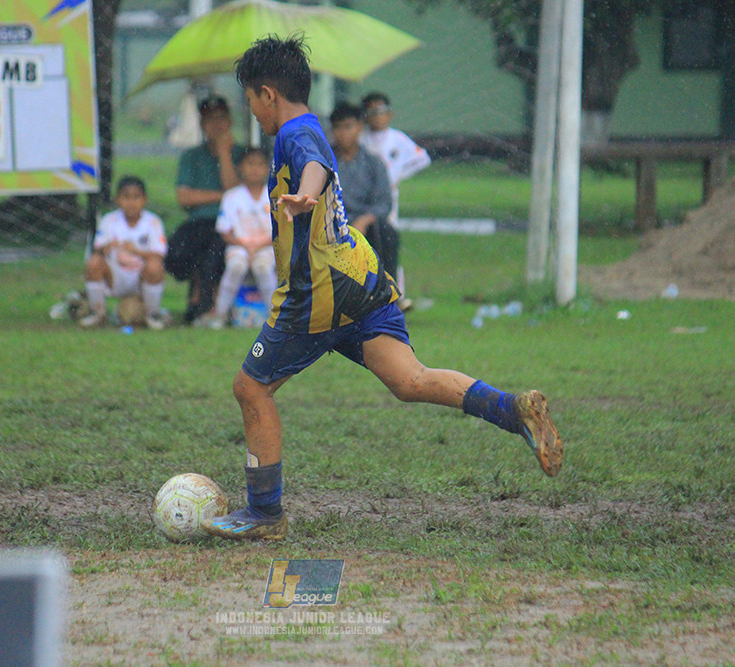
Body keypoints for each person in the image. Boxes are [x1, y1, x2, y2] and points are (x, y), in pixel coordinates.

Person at [204, 35, 563, 542]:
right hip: (362, 277)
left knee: (251, 387)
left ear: (268, 94)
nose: (252, 112)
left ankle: (265, 514)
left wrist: (306, 193)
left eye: (249, 101)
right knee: (408, 379)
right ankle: (514, 410)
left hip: (320, 292)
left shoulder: (292, 134)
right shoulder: (308, 126)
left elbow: (317, 167)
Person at [167, 95, 246, 324]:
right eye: (210, 119)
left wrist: (224, 154)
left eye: (221, 118)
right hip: (199, 222)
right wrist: (222, 196)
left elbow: (237, 192)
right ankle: (198, 290)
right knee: (177, 252)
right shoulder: (192, 156)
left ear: (230, 121)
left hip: (230, 223)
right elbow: (184, 198)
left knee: (215, 251)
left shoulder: (242, 155)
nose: (217, 125)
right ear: (202, 124)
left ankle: (204, 301)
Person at [360, 91, 432, 311]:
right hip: (363, 197)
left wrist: (397, 176)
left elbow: (422, 158)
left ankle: (396, 294)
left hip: (387, 198)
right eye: (371, 112)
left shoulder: (397, 139)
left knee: (388, 242)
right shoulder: (361, 138)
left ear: (389, 114)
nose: (376, 117)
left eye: (381, 112)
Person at [200, 147, 277, 329]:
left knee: (263, 268)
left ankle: (275, 317)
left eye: (260, 164)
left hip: (267, 246)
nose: (255, 169)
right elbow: (225, 232)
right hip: (239, 245)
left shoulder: (274, 195)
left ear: (267, 168)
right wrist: (245, 245)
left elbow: (281, 230)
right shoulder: (231, 197)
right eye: (250, 164)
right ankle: (219, 314)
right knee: (236, 266)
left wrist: (258, 246)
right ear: (240, 168)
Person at [81, 176, 168, 329]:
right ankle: (98, 313)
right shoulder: (109, 220)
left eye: (136, 197)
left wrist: (136, 251)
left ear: (144, 200)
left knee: (155, 266)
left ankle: (152, 314)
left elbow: (159, 254)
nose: (131, 203)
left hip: (140, 277)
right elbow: (98, 248)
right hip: (115, 276)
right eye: (126, 197)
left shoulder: (153, 222)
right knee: (94, 262)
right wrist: (108, 247)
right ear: (117, 200)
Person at [330, 101, 397, 280]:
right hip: (332, 223)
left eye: (348, 126)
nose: (343, 133)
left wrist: (364, 220)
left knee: (386, 232)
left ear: (360, 127)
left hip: (365, 224)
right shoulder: (324, 162)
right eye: (337, 127)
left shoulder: (373, 163)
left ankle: (387, 289)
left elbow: (384, 203)